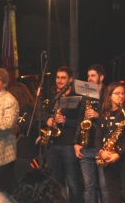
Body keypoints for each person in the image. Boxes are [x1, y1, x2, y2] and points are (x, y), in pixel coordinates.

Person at [95, 82, 125, 203]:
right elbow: (98, 137)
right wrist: (101, 152)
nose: (121, 96)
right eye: (117, 93)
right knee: (113, 196)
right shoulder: (103, 114)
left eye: (123, 93)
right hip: (108, 156)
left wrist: (118, 155)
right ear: (109, 95)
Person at [44, 66, 82, 203]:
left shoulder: (76, 98)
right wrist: (48, 120)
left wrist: (66, 120)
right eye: (58, 77)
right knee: (56, 182)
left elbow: (80, 121)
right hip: (53, 144)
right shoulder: (55, 97)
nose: (59, 81)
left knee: (72, 182)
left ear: (70, 79)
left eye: (63, 78)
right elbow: (46, 115)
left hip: (68, 144)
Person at [73, 64, 109, 203]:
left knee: (104, 186)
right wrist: (76, 142)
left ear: (101, 77)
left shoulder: (107, 94)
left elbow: (112, 117)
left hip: (102, 146)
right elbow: (79, 120)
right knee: (88, 187)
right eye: (88, 76)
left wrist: (97, 115)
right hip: (86, 146)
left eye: (93, 75)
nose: (90, 78)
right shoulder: (85, 96)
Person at [8, 82, 39, 182]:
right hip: (17, 152)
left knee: (22, 179)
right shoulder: (17, 109)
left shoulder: (27, 108)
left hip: (24, 152)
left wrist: (18, 127)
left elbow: (30, 122)